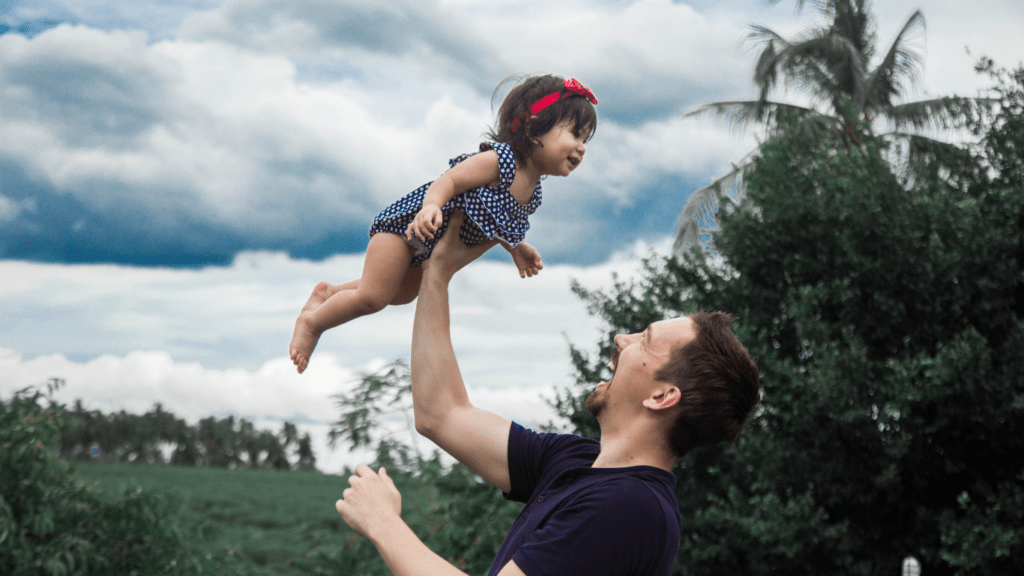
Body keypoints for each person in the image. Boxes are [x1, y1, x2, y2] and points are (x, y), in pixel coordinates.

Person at [334, 211, 762, 576]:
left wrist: (382, 522)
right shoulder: (576, 462)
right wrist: (437, 271)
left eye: (645, 340)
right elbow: (441, 412)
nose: (620, 339)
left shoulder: (630, 508)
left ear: (662, 397)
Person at [289, 74, 599, 373]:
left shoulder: (532, 195)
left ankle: (331, 293)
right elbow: (450, 180)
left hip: (428, 248)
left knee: (399, 294)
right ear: (533, 130)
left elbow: (496, 223)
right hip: (407, 227)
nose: (582, 147)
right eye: (574, 134)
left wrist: (516, 248)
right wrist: (431, 207)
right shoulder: (501, 160)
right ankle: (312, 323)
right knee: (374, 297)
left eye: (585, 139)